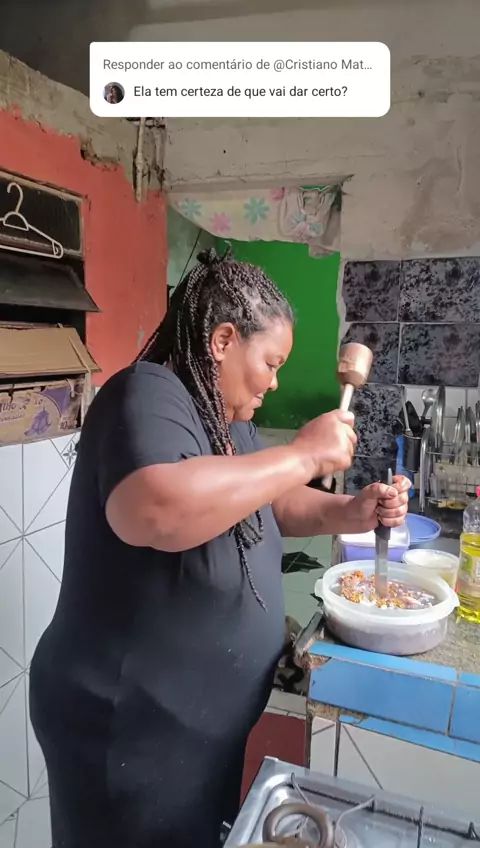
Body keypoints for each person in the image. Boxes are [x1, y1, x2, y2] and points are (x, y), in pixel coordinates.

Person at [29, 248, 410, 848]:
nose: (275, 381)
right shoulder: (146, 393)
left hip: (192, 734)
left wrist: (349, 512)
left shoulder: (226, 419)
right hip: (125, 731)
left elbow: (269, 503)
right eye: (271, 362)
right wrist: (303, 455)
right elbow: (155, 508)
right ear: (224, 340)